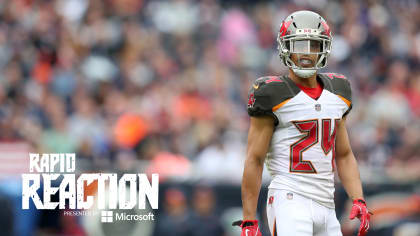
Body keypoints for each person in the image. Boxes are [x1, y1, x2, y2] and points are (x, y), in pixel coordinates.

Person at [233, 10, 372, 236]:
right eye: (299, 45)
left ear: (324, 49)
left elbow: (344, 154)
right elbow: (254, 159)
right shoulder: (272, 93)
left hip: (327, 204)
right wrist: (249, 220)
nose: (306, 54)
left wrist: (359, 198)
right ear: (285, 48)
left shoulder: (339, 91)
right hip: (289, 198)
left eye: (313, 45)